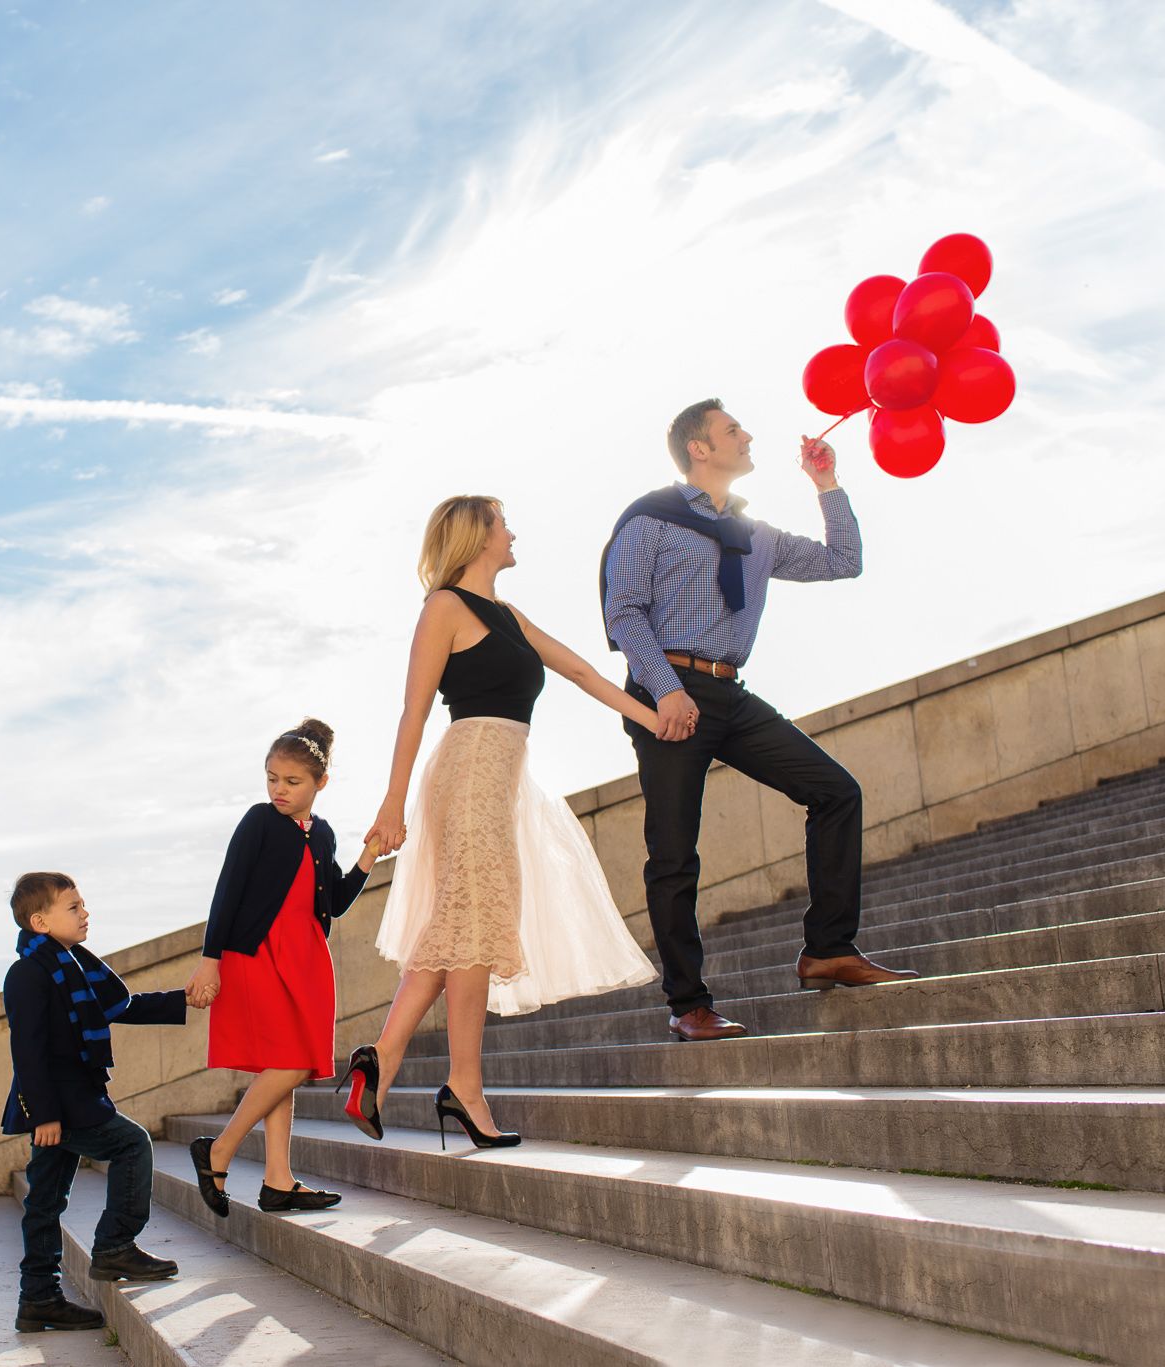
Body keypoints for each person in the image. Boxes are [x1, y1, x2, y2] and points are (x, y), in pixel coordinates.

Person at [599, 399, 917, 1045]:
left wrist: (826, 484)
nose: (747, 436)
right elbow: (624, 614)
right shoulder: (649, 519)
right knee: (673, 854)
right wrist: (665, 691)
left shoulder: (756, 533)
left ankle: (827, 948)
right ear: (700, 449)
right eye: (732, 430)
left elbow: (842, 560)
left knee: (835, 790)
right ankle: (688, 1004)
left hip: (728, 693)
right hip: (669, 696)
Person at [348, 496, 660, 1150]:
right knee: (476, 918)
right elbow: (413, 709)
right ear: (479, 535)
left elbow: (574, 667)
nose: (513, 530)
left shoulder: (509, 616)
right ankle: (461, 1085)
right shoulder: (443, 608)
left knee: (467, 920)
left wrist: (652, 717)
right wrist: (391, 801)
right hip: (465, 774)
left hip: (501, 778)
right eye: (503, 520)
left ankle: (382, 1059)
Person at [184, 719, 379, 1217]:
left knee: (285, 1063)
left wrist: (369, 856)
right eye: (272, 778)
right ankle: (220, 1150)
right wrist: (210, 962)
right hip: (257, 954)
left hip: (307, 957)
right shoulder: (258, 821)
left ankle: (278, 1180)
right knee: (291, 1060)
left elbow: (333, 902)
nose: (279, 790)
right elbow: (227, 889)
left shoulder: (324, 834)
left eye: (292, 782)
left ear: (320, 784)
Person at [2, 872, 204, 1333]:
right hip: (62, 1104)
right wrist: (46, 1115)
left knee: (45, 1201)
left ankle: (38, 1298)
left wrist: (184, 1000)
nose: (85, 913)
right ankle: (115, 1246)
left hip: (74, 1097)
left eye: (83, 905)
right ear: (40, 921)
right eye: (73, 907)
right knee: (132, 1146)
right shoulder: (29, 974)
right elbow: (27, 1052)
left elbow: (124, 1006)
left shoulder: (72, 966)